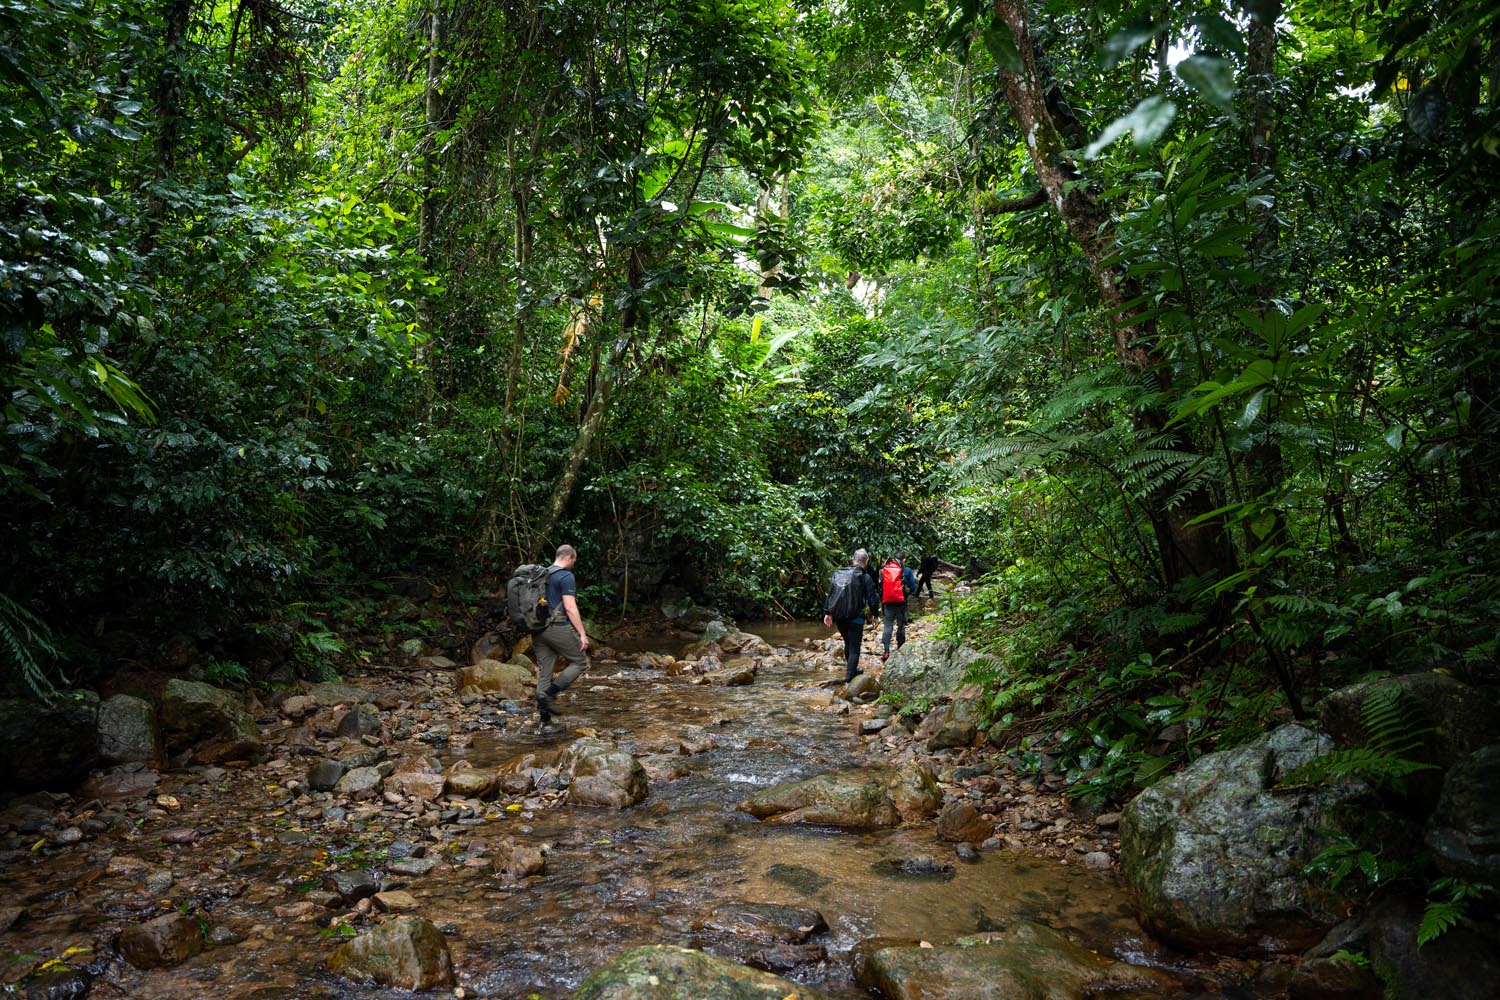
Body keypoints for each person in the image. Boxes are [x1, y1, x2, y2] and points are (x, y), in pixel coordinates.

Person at [533, 544, 590, 726]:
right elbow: (570, 608)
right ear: (569, 558)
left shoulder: (541, 574)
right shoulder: (566, 576)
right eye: (574, 560)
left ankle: (544, 720)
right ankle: (548, 695)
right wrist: (582, 634)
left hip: (537, 629)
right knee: (580, 662)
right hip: (556, 626)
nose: (574, 563)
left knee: (545, 671)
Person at [823, 548, 879, 684]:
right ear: (866, 561)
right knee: (854, 648)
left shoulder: (839, 574)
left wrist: (827, 612)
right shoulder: (864, 576)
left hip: (839, 616)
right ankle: (849, 679)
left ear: (853, 559)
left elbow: (831, 593)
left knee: (848, 643)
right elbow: (872, 598)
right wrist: (875, 615)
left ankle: (852, 670)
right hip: (856, 617)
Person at [878, 552, 918, 662]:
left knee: (887, 626)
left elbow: (880, 587)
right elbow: (913, 587)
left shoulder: (885, 570)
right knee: (901, 625)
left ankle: (886, 651)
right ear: (903, 560)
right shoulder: (907, 571)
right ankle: (900, 648)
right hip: (901, 603)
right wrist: (907, 592)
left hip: (887, 603)